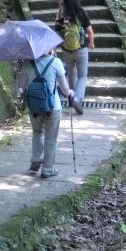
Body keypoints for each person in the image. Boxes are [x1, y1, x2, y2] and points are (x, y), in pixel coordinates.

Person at [17, 48, 77, 178]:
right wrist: (70, 93)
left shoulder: (27, 64)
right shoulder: (56, 62)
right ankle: (47, 169)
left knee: (37, 132)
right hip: (53, 107)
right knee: (51, 138)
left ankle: (36, 159)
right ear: (49, 48)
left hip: (34, 107)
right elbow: (64, 88)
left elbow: (20, 87)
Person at [55, 0, 94, 114]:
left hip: (66, 50)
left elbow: (56, 32)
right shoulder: (80, 13)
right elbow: (90, 31)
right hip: (81, 49)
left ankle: (72, 97)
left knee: (71, 74)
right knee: (82, 76)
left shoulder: (61, 15)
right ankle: (77, 98)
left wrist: (54, 48)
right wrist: (91, 42)